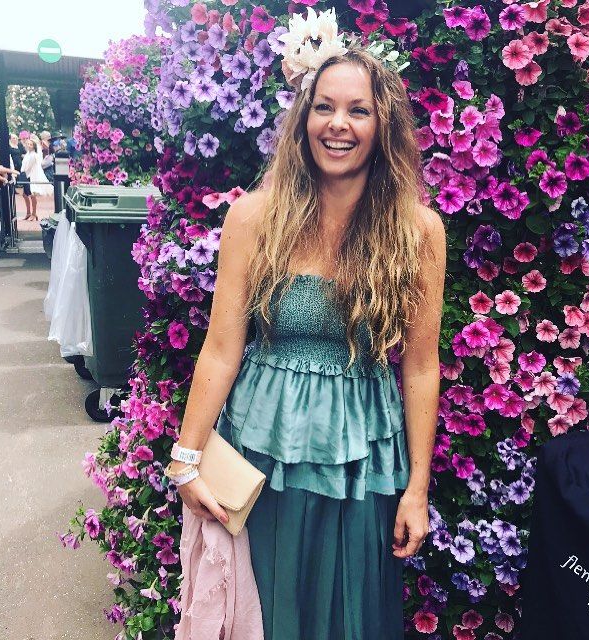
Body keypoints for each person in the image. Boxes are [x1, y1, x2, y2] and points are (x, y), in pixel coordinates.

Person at [169, 48, 446, 639]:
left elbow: (421, 367)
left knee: (347, 613)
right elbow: (221, 347)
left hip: (362, 463)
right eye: (324, 107)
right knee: (263, 612)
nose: (338, 124)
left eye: (358, 110)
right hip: (259, 453)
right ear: (303, 118)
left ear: (384, 125)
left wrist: (418, 489)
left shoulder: (418, 231)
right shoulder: (254, 218)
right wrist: (186, 459)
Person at [20, 137, 52, 220]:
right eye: (28, 144)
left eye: (31, 144)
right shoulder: (27, 154)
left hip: (31, 176)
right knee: (25, 195)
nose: (29, 146)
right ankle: (28, 212)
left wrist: (23, 172)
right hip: (26, 175)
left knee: (32, 195)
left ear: (34, 146)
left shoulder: (34, 155)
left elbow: (28, 167)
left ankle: (34, 213)